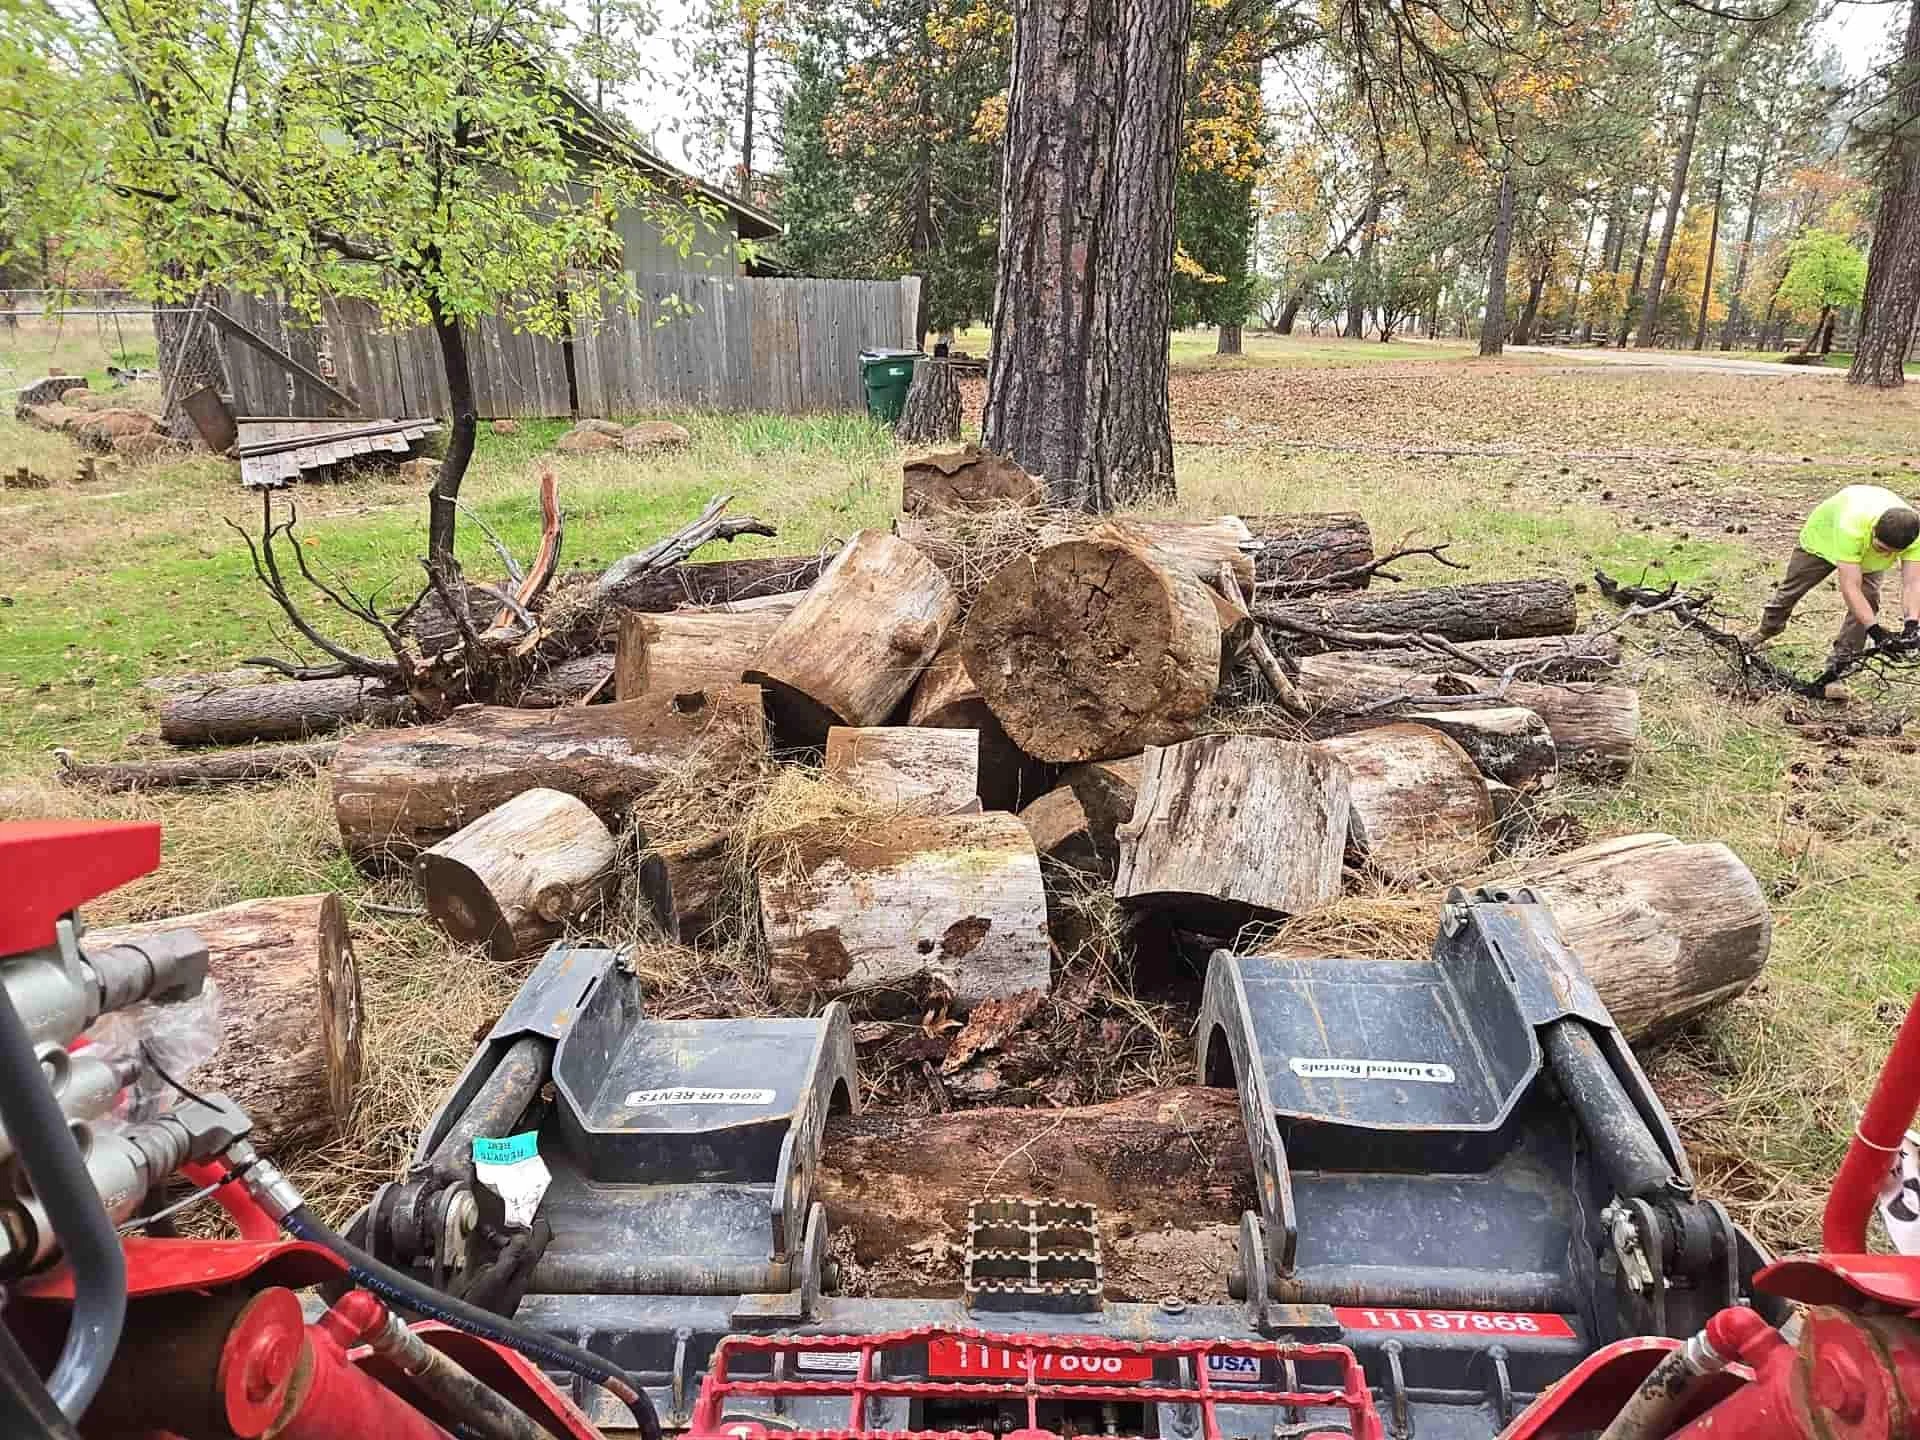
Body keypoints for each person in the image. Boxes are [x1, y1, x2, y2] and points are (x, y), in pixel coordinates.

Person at [1752, 484, 1920, 698]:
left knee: (1868, 602)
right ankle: (1766, 630)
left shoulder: (1915, 536)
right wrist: (1876, 632)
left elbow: (1913, 583)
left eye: (1891, 553)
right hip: (1823, 540)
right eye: (1880, 548)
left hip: (1866, 556)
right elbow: (1850, 586)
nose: (1885, 554)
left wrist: (1912, 624)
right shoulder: (1853, 525)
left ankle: (1838, 668)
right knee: (1790, 591)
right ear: (1873, 529)